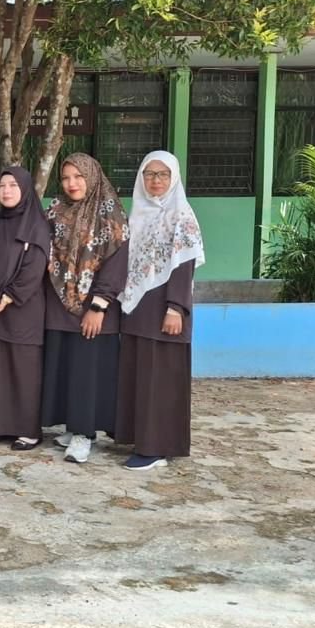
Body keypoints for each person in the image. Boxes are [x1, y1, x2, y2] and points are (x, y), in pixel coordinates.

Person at [116, 150, 204, 471]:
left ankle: (156, 447)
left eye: (163, 174)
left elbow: (184, 265)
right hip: (137, 309)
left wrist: (176, 307)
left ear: (174, 178)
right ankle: (139, 438)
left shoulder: (181, 215)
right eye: (149, 174)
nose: (155, 180)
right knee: (139, 376)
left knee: (161, 379)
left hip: (165, 311)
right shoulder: (138, 214)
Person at [42, 153, 130, 465]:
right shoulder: (56, 209)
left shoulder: (110, 212)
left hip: (94, 308)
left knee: (87, 372)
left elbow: (118, 262)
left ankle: (85, 433)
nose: (72, 183)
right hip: (59, 305)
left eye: (78, 177)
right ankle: (72, 425)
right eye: (66, 178)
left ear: (92, 176)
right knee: (65, 368)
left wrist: (99, 305)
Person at [0, 166, 52, 451]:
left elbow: (34, 270)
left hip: (24, 309)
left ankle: (28, 430)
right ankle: (0, 426)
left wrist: (4, 301)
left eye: (13, 185)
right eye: (2, 186)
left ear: (25, 190)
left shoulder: (37, 225)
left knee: (23, 369)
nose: (6, 191)